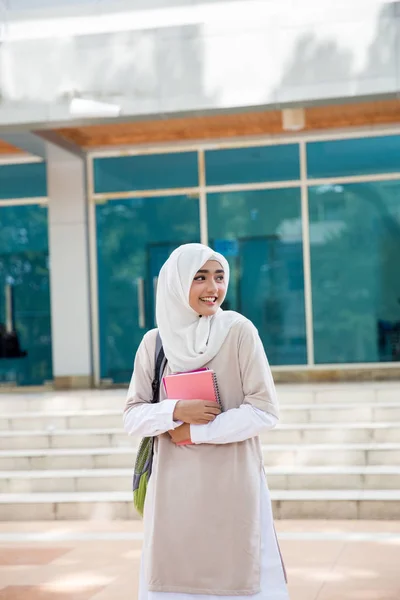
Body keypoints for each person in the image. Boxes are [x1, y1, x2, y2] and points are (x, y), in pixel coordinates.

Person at [124, 243, 289, 600]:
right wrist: (175, 410)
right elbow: (133, 417)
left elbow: (265, 410)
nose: (213, 288)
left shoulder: (238, 331)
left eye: (219, 277)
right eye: (200, 278)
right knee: (172, 580)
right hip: (172, 491)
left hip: (232, 484)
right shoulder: (154, 344)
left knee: (238, 579)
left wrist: (197, 431)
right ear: (176, 284)